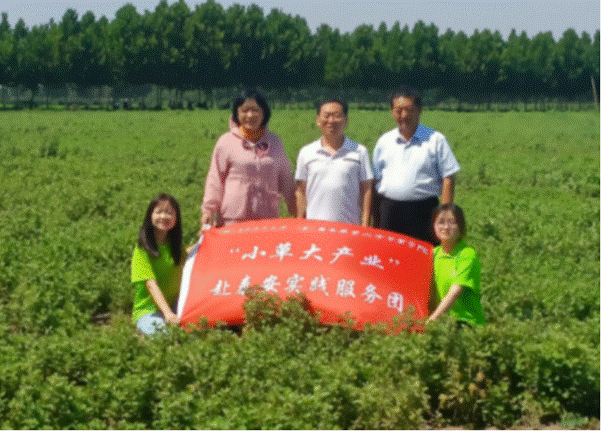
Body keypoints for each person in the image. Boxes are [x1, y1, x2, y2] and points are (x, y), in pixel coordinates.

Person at [372, 86, 460, 243]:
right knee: (389, 254)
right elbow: (375, 180)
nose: (404, 115)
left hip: (424, 212)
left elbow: (448, 177)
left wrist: (444, 214)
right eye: (399, 110)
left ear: (419, 110)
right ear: (392, 111)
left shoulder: (435, 140)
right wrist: (376, 217)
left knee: (424, 254)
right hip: (389, 212)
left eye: (409, 110)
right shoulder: (384, 141)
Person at [201, 89, 296, 228]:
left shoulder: (275, 142)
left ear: (264, 112)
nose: (250, 115)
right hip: (233, 217)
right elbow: (215, 179)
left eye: (255, 110)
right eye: (244, 111)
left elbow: (286, 178)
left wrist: (296, 208)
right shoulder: (226, 141)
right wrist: (208, 210)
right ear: (237, 114)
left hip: (267, 217)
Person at [295, 98, 373, 226]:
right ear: (318, 120)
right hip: (315, 227)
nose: (331, 121)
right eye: (326, 116)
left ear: (346, 121)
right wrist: (300, 222)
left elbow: (366, 190)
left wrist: (365, 225)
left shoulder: (359, 151)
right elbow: (300, 191)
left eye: (337, 116)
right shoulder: (306, 152)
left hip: (348, 227)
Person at [131, 193, 185, 335]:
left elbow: (188, 256)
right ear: (150, 215)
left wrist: (204, 240)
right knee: (165, 336)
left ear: (176, 218)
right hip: (149, 311)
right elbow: (151, 284)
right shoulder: (142, 249)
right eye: (159, 212)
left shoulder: (175, 246)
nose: (164, 216)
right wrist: (168, 314)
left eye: (169, 213)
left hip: (175, 305)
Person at [427, 204, 484, 326]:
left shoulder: (467, 255)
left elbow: (454, 293)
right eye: (441, 222)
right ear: (434, 226)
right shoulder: (432, 254)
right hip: (440, 320)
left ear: (461, 227)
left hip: (464, 322)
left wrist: (431, 322)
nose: (446, 227)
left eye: (452, 222)